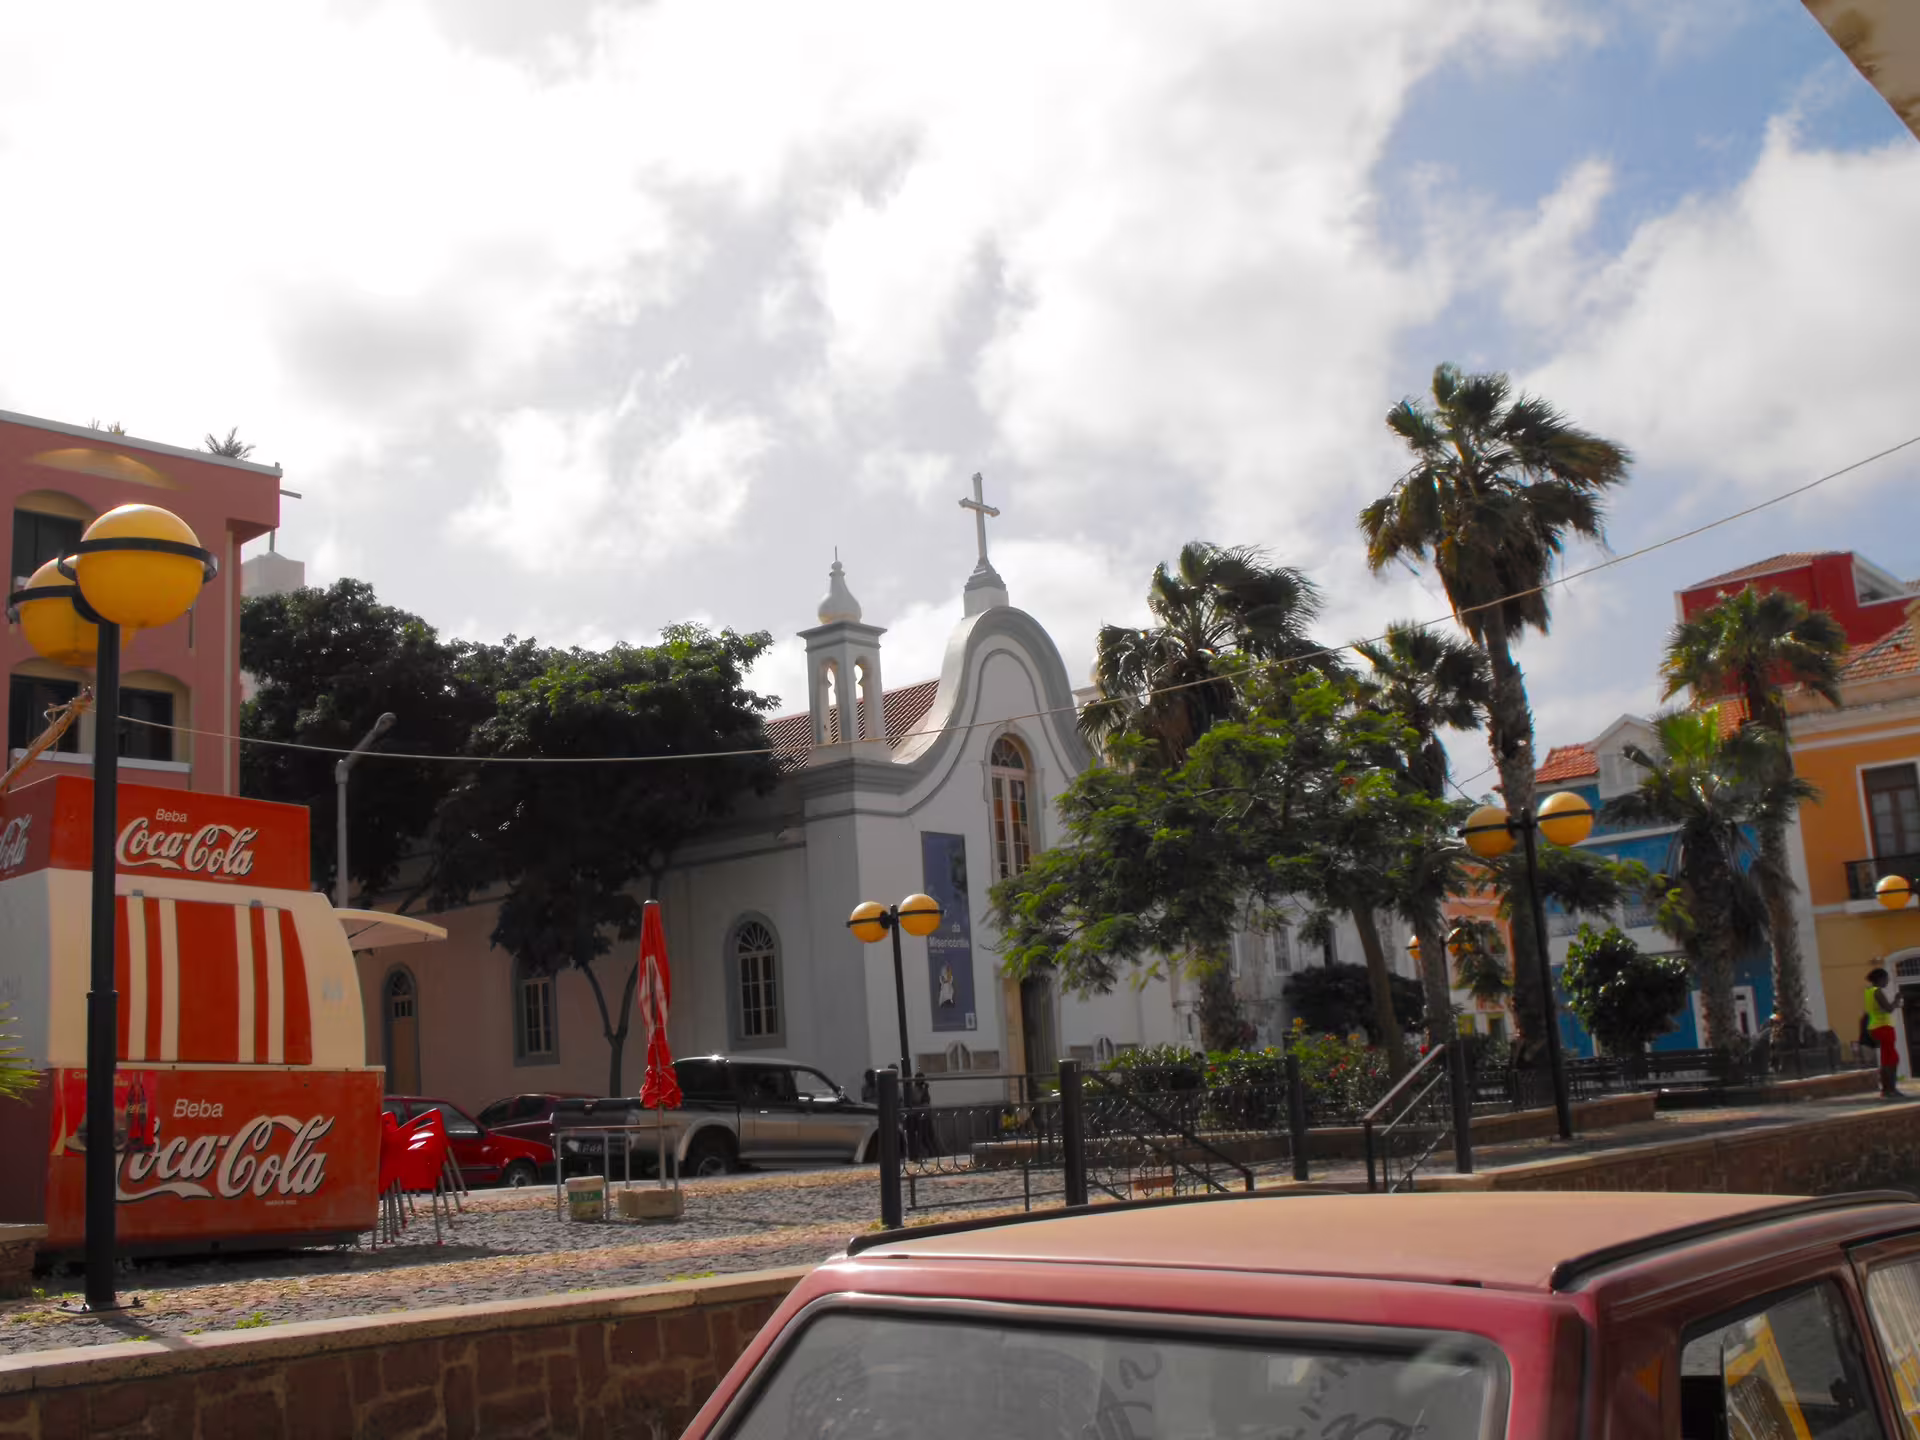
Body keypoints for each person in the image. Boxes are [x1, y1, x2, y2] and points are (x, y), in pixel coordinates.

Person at [1865, 967, 1903, 1099]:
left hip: (1875, 1027)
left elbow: (1879, 1009)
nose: (1888, 980)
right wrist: (1897, 1000)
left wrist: (1894, 1004)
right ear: (1880, 979)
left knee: (1886, 1059)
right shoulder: (1878, 992)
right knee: (1892, 1059)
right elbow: (1888, 1009)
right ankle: (1891, 1089)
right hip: (1883, 1027)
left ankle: (1886, 1090)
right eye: (1886, 978)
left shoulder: (1869, 992)